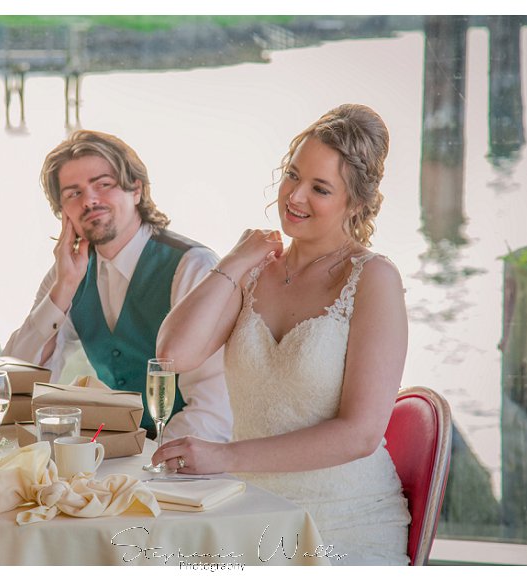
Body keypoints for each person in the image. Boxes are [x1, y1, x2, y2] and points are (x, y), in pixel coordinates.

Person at [153, 104, 410, 565]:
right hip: (249, 515)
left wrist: (224, 456)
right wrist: (233, 261)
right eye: (293, 175)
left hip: (344, 523)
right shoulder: (253, 271)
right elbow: (173, 353)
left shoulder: (374, 279)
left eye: (320, 188)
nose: (295, 196)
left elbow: (360, 435)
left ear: (355, 203)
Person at [5, 130, 232, 442]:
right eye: (73, 193)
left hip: (187, 459)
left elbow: (214, 408)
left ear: (135, 189)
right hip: (121, 452)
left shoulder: (193, 268)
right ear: (63, 214)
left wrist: (154, 463)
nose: (90, 200)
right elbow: (16, 384)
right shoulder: (67, 274)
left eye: (103, 184)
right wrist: (62, 290)